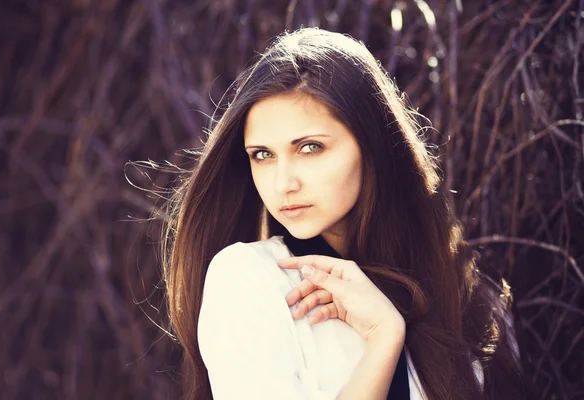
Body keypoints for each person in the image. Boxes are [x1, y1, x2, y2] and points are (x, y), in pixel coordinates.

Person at [160, 27, 535, 399]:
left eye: (309, 148)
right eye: (263, 155)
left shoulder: (472, 301)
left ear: (371, 147)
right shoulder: (250, 281)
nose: (283, 183)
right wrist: (384, 338)